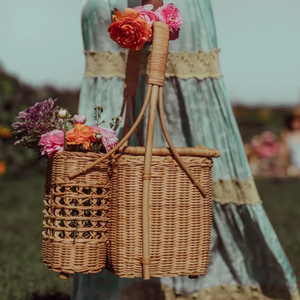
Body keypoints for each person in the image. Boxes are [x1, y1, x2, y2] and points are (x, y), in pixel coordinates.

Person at [73, 0, 299, 299]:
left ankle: (125, 281)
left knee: (134, 121)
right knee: (166, 127)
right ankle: (148, 271)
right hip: (143, 11)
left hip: (139, 12)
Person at [280, 106, 300, 177]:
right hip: (294, 166)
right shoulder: (286, 134)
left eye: (298, 120)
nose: (295, 122)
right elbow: (284, 151)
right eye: (294, 120)